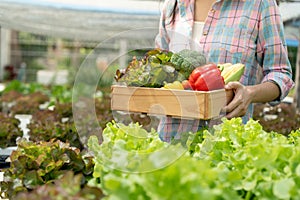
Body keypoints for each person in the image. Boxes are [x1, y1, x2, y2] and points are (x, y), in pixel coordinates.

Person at [155, 0, 294, 142]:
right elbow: (160, 69)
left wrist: (249, 94)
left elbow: (280, 74)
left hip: (225, 144)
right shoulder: (173, 5)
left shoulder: (260, 5)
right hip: (169, 143)